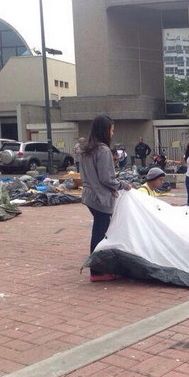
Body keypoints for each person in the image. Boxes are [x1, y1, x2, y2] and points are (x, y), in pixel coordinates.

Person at [80, 115, 131, 282]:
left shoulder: (86, 149)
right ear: (104, 130)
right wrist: (123, 185)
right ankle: (97, 271)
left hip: (90, 196)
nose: (112, 133)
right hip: (100, 198)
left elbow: (90, 176)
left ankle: (98, 268)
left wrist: (111, 189)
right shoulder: (102, 150)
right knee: (100, 233)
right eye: (111, 130)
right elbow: (107, 178)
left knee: (99, 230)